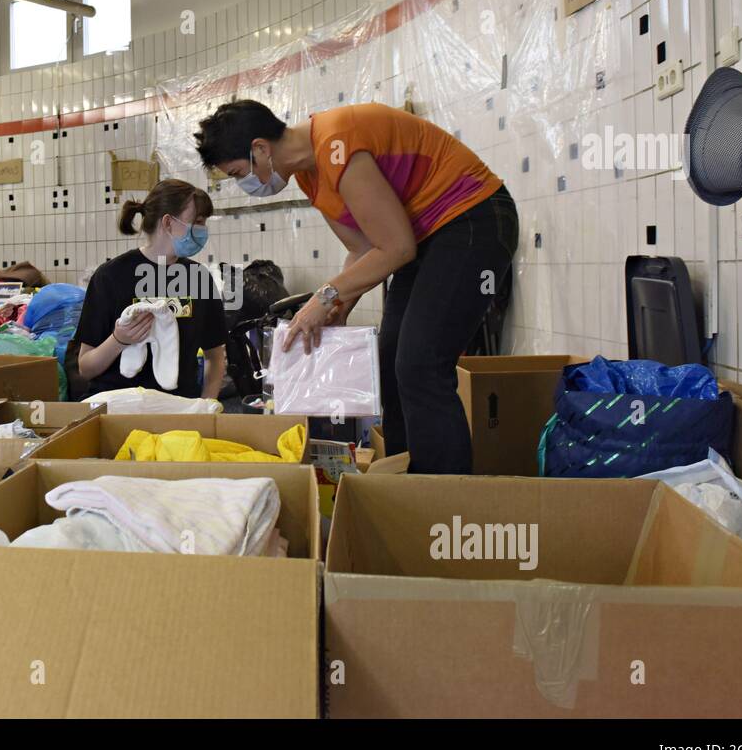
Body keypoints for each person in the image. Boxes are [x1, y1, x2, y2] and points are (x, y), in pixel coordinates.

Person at [195, 100, 519, 474]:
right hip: (428, 237)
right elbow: (363, 249)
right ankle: (403, 479)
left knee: (421, 365)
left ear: (260, 149)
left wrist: (326, 296)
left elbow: (396, 247)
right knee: (391, 358)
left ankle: (442, 499)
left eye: (239, 172)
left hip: (473, 218)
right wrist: (339, 306)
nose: (244, 184)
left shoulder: (337, 144)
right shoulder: (310, 174)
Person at [74, 179, 227, 400]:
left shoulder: (199, 278)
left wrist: (207, 405)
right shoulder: (110, 276)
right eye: (198, 221)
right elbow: (85, 367)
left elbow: (215, 356)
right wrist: (118, 339)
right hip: (118, 410)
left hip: (178, 410)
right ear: (168, 223)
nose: (203, 230)